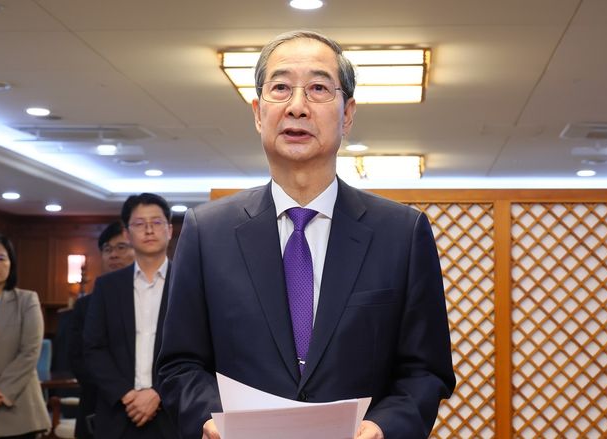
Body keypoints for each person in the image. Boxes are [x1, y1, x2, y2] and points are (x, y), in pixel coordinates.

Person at [157, 30, 456, 439]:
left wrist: (384, 426)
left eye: (318, 88)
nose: (297, 107)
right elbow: (179, 364)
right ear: (258, 113)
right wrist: (210, 420)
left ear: (347, 114)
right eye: (280, 88)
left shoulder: (402, 233)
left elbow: (426, 370)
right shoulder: (206, 231)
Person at [83, 194, 178, 439]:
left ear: (169, 230)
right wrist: (127, 395)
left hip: (173, 413)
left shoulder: (189, 282)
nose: (149, 230)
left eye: (156, 222)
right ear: (127, 234)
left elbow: (200, 350)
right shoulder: (107, 287)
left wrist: (157, 393)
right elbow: (93, 348)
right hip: (118, 412)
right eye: (139, 223)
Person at [0, 234, 51, 438]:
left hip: (18, 410)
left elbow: (30, 353)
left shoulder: (27, 300)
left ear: (11, 264)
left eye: (1, 258)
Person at [68, 221, 136, 438]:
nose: (113, 255)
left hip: (151, 406)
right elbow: (78, 358)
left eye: (121, 247)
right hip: (98, 406)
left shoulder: (157, 299)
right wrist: (121, 392)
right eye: (107, 249)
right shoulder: (84, 305)